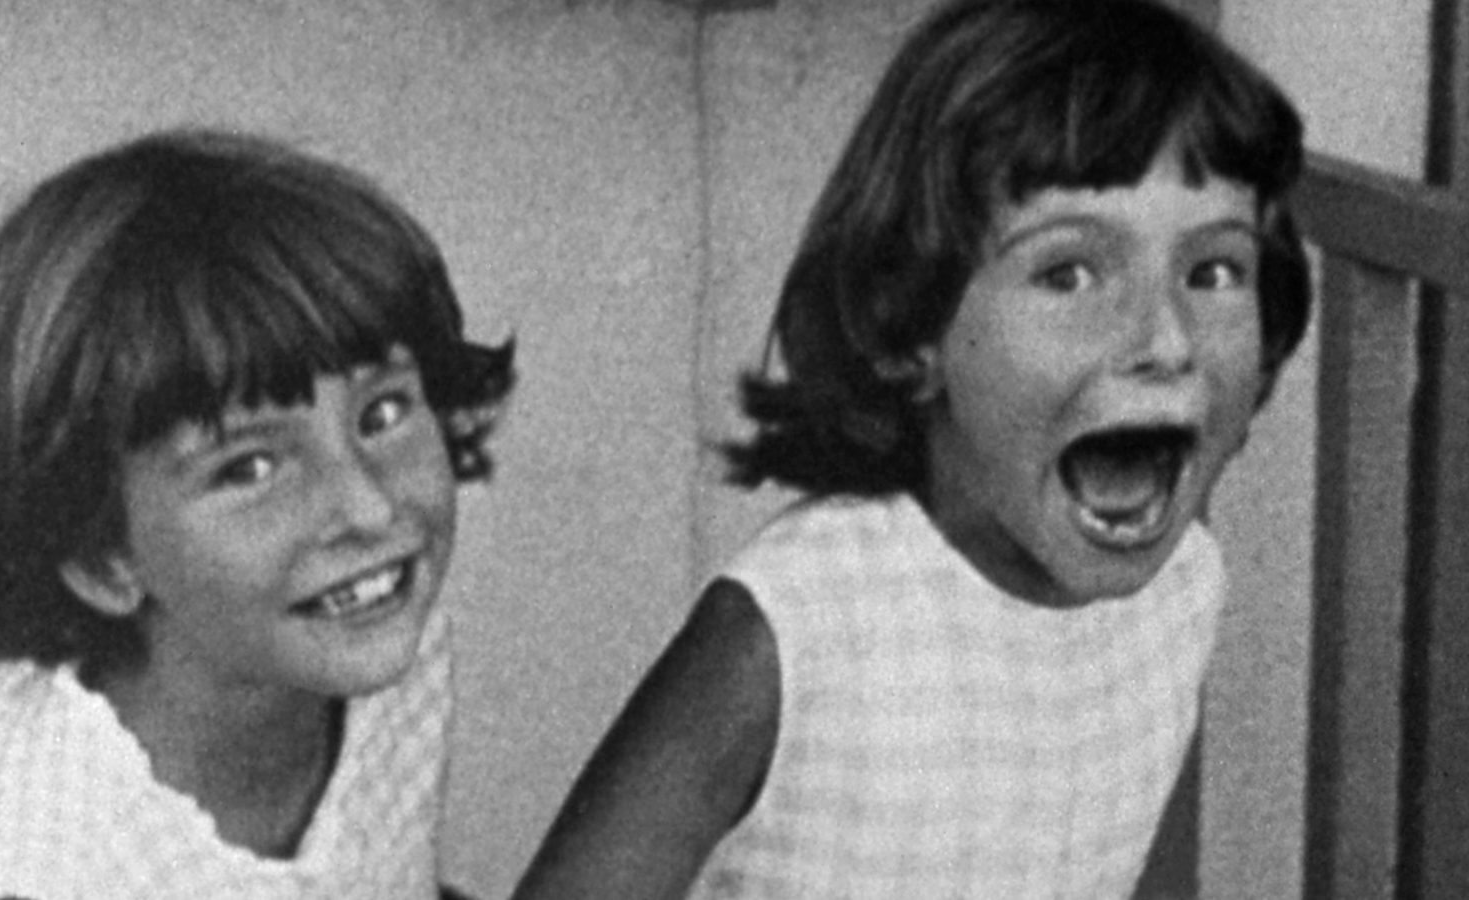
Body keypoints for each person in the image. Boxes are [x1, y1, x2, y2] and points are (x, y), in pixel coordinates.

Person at [511, 0, 1310, 897]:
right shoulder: (799, 626)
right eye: (1069, 273)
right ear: (911, 326)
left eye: (1212, 271)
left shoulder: (1185, 588)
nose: (1165, 340)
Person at [0, 129, 514, 900]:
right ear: (104, 558)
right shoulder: (38, 869)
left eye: (380, 413)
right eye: (250, 467)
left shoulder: (378, 646)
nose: (369, 505)